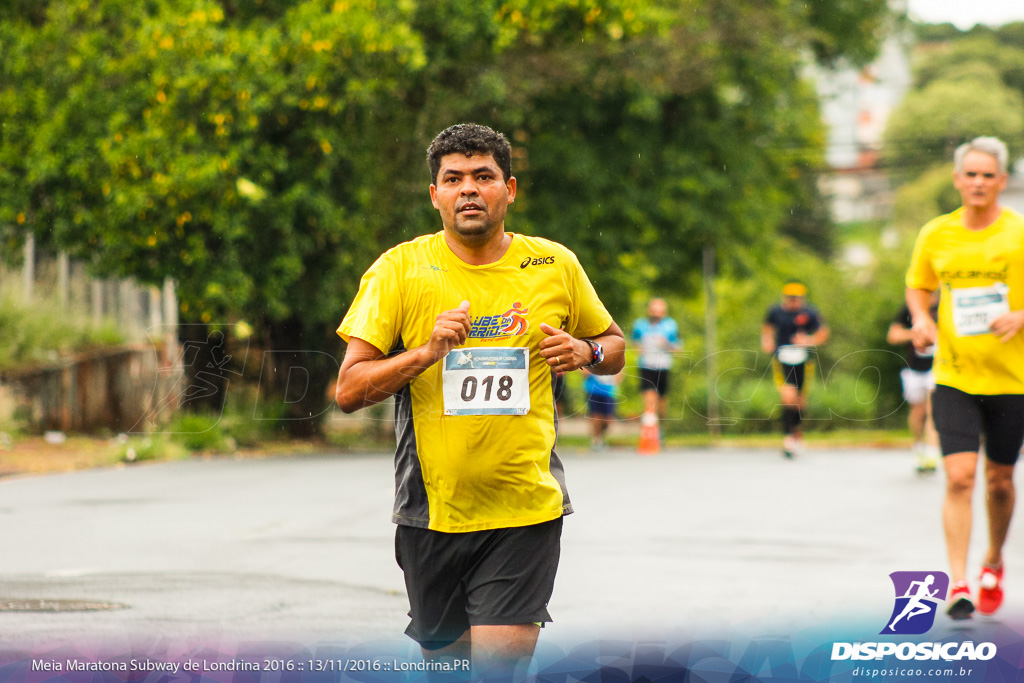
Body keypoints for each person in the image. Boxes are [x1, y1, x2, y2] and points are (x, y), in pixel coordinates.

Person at [334, 123, 625, 676]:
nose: (469, 189)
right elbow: (349, 390)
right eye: (454, 179)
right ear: (435, 195)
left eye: (483, 177)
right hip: (431, 514)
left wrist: (585, 352)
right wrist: (426, 352)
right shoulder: (399, 270)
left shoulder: (554, 264)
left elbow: (615, 347)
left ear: (509, 190)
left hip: (525, 509)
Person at [905, 136, 1024, 621]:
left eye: (987, 174)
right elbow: (918, 285)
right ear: (957, 179)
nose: (978, 182)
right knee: (959, 477)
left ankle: (993, 559)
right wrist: (921, 318)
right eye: (969, 174)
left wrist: (1021, 315)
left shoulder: (1018, 233)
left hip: (1012, 379)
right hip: (954, 376)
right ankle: (958, 582)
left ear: (1002, 180)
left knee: (999, 481)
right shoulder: (936, 233)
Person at [761, 282, 830, 458]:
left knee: (800, 400)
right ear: (785, 297)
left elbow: (823, 333)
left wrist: (808, 340)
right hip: (782, 358)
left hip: (803, 360)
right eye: (790, 297)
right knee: (787, 396)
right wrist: (767, 342)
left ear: (802, 298)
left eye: (796, 298)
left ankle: (796, 430)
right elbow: (767, 328)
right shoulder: (776, 312)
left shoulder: (810, 313)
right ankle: (788, 438)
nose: (793, 301)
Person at [887, 292, 941, 474]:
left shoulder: (945, 307)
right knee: (917, 412)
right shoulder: (911, 308)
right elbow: (893, 335)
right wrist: (918, 332)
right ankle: (918, 446)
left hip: (939, 368)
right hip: (914, 368)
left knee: (933, 409)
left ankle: (931, 453)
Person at [631, 298, 680, 422]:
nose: (656, 314)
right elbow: (634, 341)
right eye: (654, 311)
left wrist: (666, 344)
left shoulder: (670, 325)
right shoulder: (640, 325)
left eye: (659, 312)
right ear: (649, 311)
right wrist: (639, 347)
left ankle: (660, 425)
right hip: (646, 365)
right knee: (649, 396)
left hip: (663, 366)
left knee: (662, 401)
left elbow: (678, 346)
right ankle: (649, 424)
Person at [583, 367, 621, 450]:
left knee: (608, 419)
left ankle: (601, 436)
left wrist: (616, 381)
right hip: (593, 389)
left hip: (609, 391)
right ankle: (596, 439)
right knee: (596, 416)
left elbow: (620, 367)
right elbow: (583, 368)